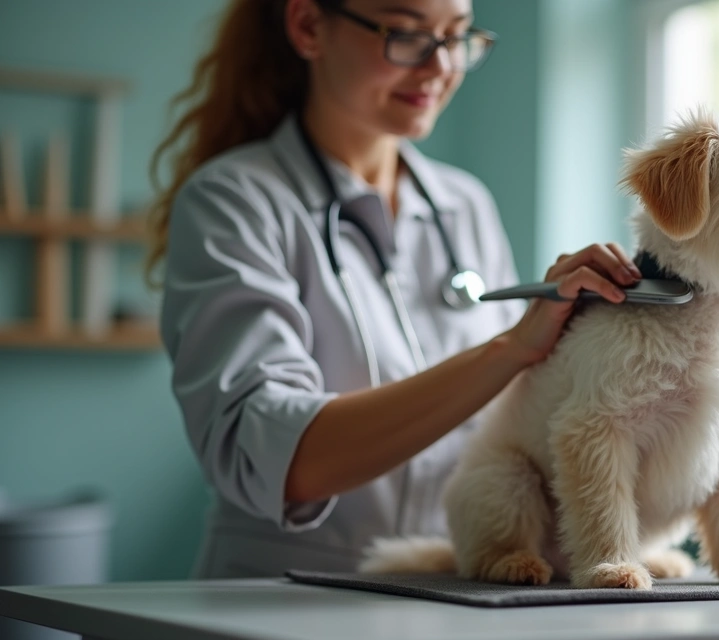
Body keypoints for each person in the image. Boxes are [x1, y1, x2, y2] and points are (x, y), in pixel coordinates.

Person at [147, 0, 642, 579]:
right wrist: (511, 348)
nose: (440, 67)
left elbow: (511, 423)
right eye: (407, 34)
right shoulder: (233, 202)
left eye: (456, 37)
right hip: (289, 593)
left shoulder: (464, 206)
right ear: (308, 27)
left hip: (452, 583)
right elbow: (281, 460)